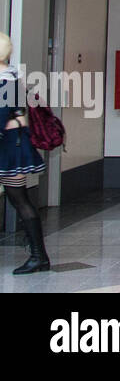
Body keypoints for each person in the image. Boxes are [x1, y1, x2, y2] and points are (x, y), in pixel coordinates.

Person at [0, 33, 49, 274]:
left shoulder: (4, 81)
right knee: (19, 199)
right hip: (14, 145)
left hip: (9, 147)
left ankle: (39, 256)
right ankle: (39, 255)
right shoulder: (12, 77)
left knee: (19, 200)